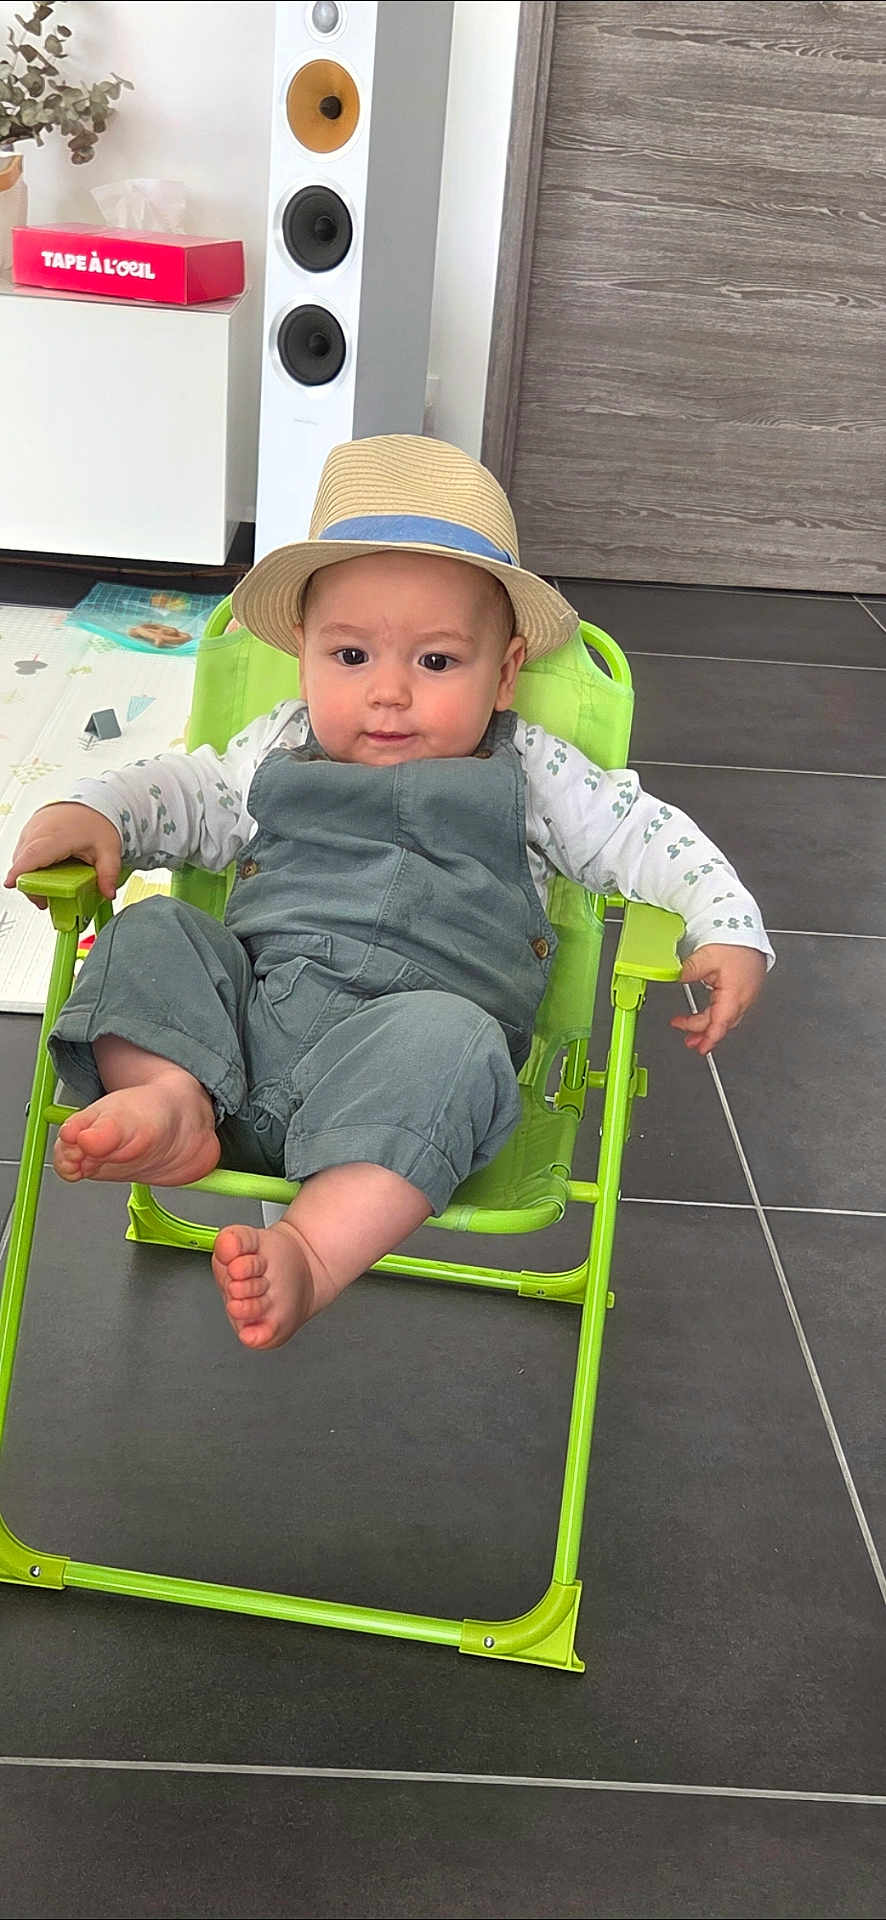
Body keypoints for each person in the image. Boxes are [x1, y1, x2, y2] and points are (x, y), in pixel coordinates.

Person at [5, 435, 773, 1354]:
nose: (390, 694)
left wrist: (723, 920)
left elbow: (643, 833)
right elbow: (180, 792)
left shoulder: (533, 771)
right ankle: (169, 1099)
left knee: (462, 1045)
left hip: (403, 1071)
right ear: (304, 656)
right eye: (353, 655)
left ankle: (313, 1253)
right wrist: (95, 811)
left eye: (438, 663)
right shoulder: (277, 748)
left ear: (506, 671)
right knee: (155, 928)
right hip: (238, 1032)